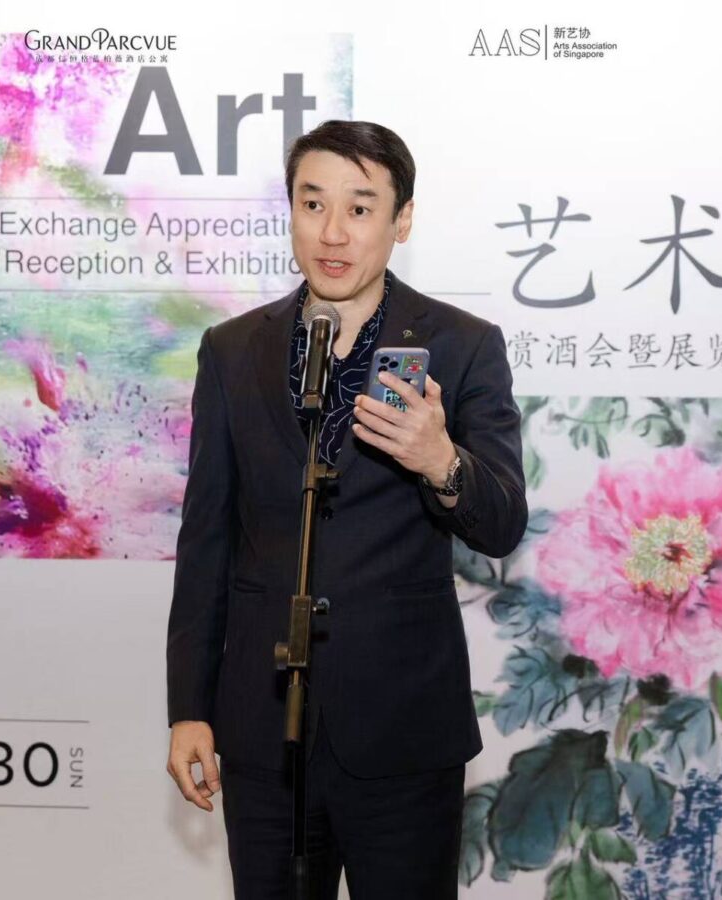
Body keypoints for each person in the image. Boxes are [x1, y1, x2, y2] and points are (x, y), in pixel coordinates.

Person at [166, 119, 528, 899]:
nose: (333, 232)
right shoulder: (233, 350)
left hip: (403, 730)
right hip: (264, 729)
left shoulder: (463, 345)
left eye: (360, 209)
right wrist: (189, 707)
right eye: (313, 204)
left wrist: (440, 460)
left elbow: (502, 523)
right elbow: (207, 540)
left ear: (402, 219)